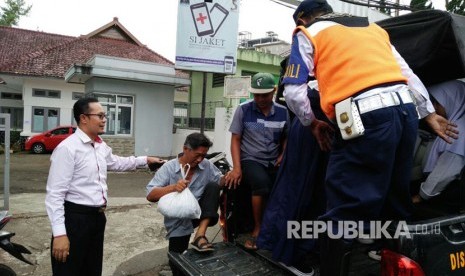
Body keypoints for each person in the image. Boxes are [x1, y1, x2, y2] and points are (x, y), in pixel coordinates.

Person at [282, 1, 459, 275]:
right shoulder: (371, 28)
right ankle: (392, 262)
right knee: (395, 198)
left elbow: (293, 92)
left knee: (343, 207)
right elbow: (406, 73)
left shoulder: (308, 33)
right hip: (404, 113)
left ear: (302, 19)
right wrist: (427, 113)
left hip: (364, 117)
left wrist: (311, 122)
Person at [45, 97, 164, 276]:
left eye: (104, 115)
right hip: (75, 220)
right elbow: (55, 195)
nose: (104, 120)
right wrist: (60, 234)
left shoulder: (99, 145)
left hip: (97, 218)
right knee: (69, 270)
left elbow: (116, 162)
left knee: (92, 269)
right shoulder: (68, 149)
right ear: (83, 118)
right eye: (100, 115)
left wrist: (145, 160)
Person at [146, 132, 228, 276]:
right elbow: (150, 195)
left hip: (200, 213)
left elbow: (219, 181)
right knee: (177, 263)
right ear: (185, 149)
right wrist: (172, 187)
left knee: (213, 187)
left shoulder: (206, 165)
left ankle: (200, 235)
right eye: (197, 155)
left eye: (204, 155)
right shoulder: (169, 168)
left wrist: (231, 176)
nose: (200, 159)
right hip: (179, 219)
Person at [227, 72, 290, 250]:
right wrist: (237, 168)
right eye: (257, 95)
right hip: (251, 159)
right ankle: (258, 227)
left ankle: (278, 228)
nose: (260, 99)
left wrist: (283, 154)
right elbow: (236, 139)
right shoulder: (244, 110)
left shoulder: (283, 112)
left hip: (273, 160)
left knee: (287, 184)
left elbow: (286, 137)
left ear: (274, 91)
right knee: (261, 184)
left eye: (265, 94)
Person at [412, 80, 465, 203]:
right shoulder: (456, 122)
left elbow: (445, 172)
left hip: (446, 193)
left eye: (437, 103)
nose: (434, 108)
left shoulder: (457, 131)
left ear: (452, 101)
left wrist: (421, 196)